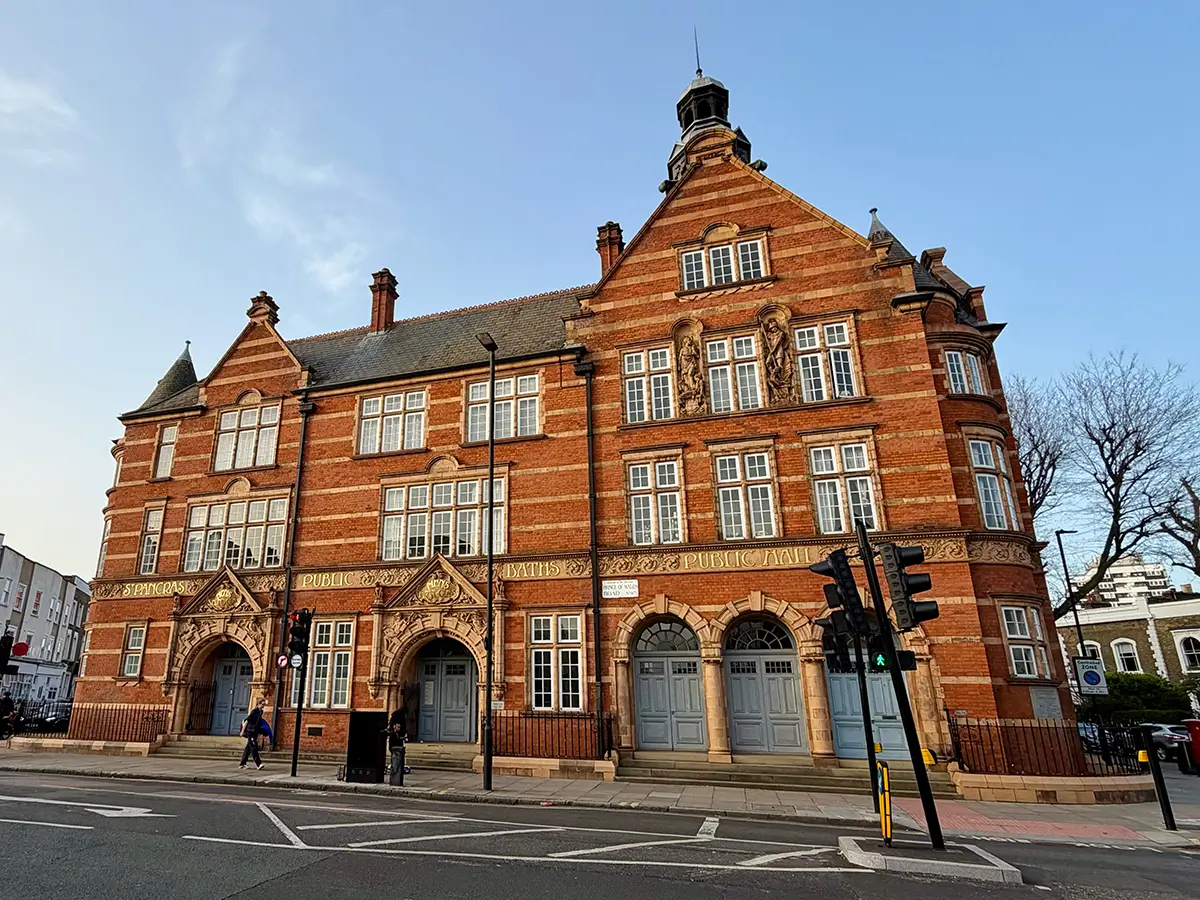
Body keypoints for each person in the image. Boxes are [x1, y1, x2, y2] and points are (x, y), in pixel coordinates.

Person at [239, 699, 266, 769]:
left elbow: (258, 723)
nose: (263, 706)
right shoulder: (254, 711)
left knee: (248, 748)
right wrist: (242, 731)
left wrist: (260, 731)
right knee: (254, 747)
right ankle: (258, 764)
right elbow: (247, 721)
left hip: (255, 732)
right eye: (263, 704)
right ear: (259, 704)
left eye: (264, 704)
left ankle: (242, 763)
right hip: (250, 731)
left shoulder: (261, 712)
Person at [386, 706, 409, 785]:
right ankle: (395, 769)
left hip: (396, 744)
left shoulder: (395, 715)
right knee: (396, 757)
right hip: (395, 745)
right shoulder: (400, 716)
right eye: (398, 727)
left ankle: (397, 769)